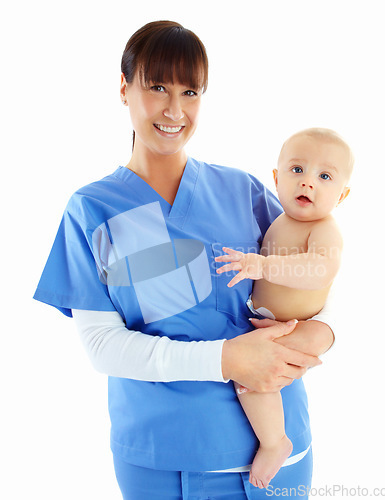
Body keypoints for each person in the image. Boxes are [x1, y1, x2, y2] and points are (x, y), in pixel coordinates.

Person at [34, 21, 336, 499]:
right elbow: (102, 346)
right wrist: (226, 358)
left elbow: (316, 281)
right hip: (163, 459)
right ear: (123, 88)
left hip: (279, 455)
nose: (175, 110)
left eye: (190, 91)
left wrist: (326, 334)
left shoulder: (245, 192)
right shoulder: (93, 210)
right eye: (157, 87)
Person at [215, 127, 353, 489]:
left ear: (343, 194)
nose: (308, 183)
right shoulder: (280, 217)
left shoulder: (324, 229)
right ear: (276, 178)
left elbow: (320, 269)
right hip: (268, 323)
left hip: (293, 329)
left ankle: (275, 442)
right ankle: (274, 439)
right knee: (251, 372)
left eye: (324, 177)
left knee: (251, 376)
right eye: (297, 170)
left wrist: (262, 267)